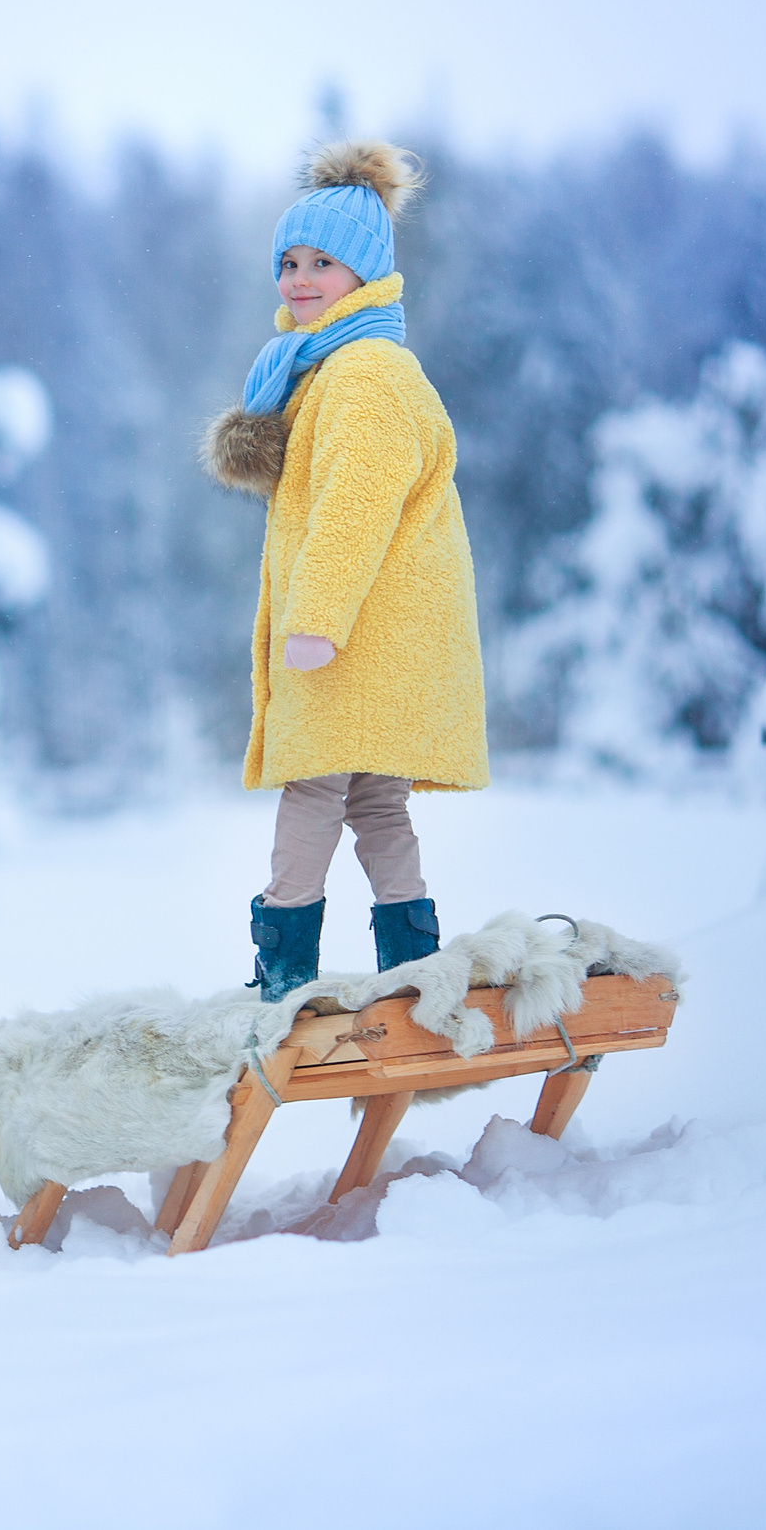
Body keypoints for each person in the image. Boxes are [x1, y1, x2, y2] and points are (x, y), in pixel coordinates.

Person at [200, 142, 488, 1001]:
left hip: (355, 637)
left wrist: (316, 620)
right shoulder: (332, 371)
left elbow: (353, 510)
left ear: (364, 276)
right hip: (381, 640)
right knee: (374, 803)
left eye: (321, 262)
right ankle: (414, 965)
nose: (298, 277)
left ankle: (284, 969)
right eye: (288, 261)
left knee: (315, 789)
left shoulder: (363, 376)